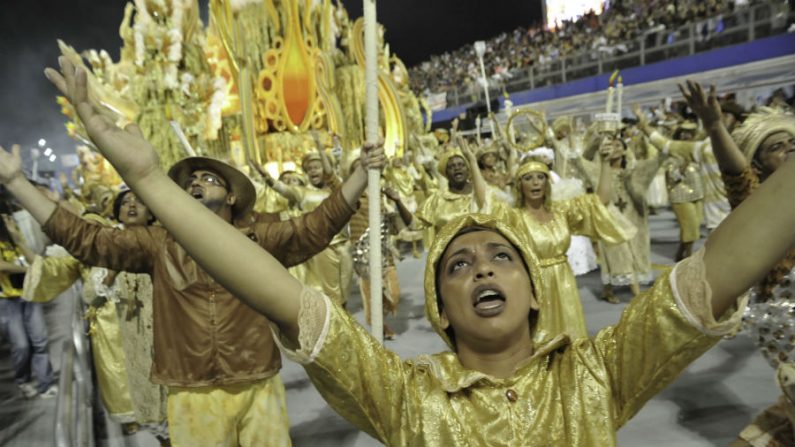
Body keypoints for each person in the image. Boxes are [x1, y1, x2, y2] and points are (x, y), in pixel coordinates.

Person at [42, 53, 795, 447]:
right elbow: (268, 280)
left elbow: (726, 262)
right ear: (440, 307)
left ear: (536, 292)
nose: (482, 267)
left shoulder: (595, 375)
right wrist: (146, 178)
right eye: (458, 266)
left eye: (500, 258)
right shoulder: (404, 394)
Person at [1, 58, 383, 447]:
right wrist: (17, 182)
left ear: (232, 196)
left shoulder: (258, 237)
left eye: (208, 178)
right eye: (190, 181)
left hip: (257, 382)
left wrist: (358, 174)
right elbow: (86, 239)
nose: (196, 182)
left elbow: (314, 228)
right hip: (190, 392)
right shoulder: (158, 243)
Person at [679, 80, 795, 446]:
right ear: (759, 165)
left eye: (792, 142)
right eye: (776, 148)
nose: (789, 150)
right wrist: (715, 127)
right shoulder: (759, 205)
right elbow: (736, 175)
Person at [490, 139, 633, 342]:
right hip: (532, 283)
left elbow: (601, 200)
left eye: (541, 177)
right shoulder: (513, 216)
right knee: (538, 335)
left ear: (548, 182)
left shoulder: (561, 210)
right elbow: (484, 202)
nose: (536, 182)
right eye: (528, 178)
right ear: (519, 185)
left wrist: (605, 163)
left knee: (570, 334)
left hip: (564, 281)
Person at [0, 196, 56, 399]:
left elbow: (34, 259)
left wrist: (16, 237)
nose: (7, 220)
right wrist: (25, 269)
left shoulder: (14, 237)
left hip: (29, 293)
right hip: (7, 300)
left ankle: (45, 384)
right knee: (21, 345)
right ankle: (23, 380)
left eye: (8, 216)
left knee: (40, 341)